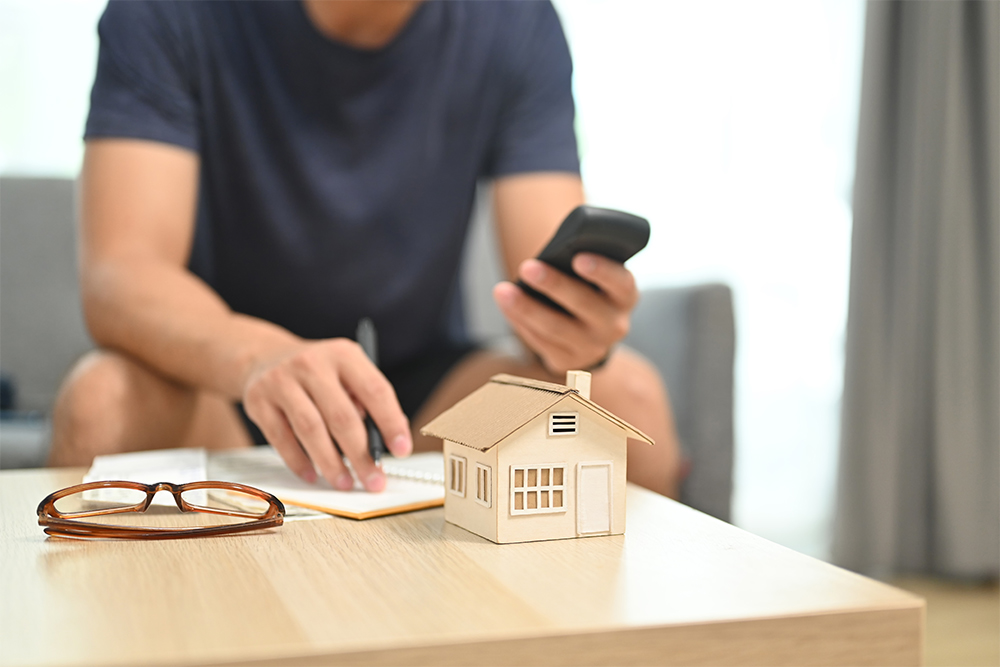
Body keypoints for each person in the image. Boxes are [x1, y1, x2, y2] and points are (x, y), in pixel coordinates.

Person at [48, 0, 682, 498]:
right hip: (225, 382)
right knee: (102, 402)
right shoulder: (171, 12)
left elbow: (544, 286)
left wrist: (579, 333)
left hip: (422, 399)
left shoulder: (516, 19)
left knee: (627, 401)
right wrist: (261, 357)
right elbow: (121, 274)